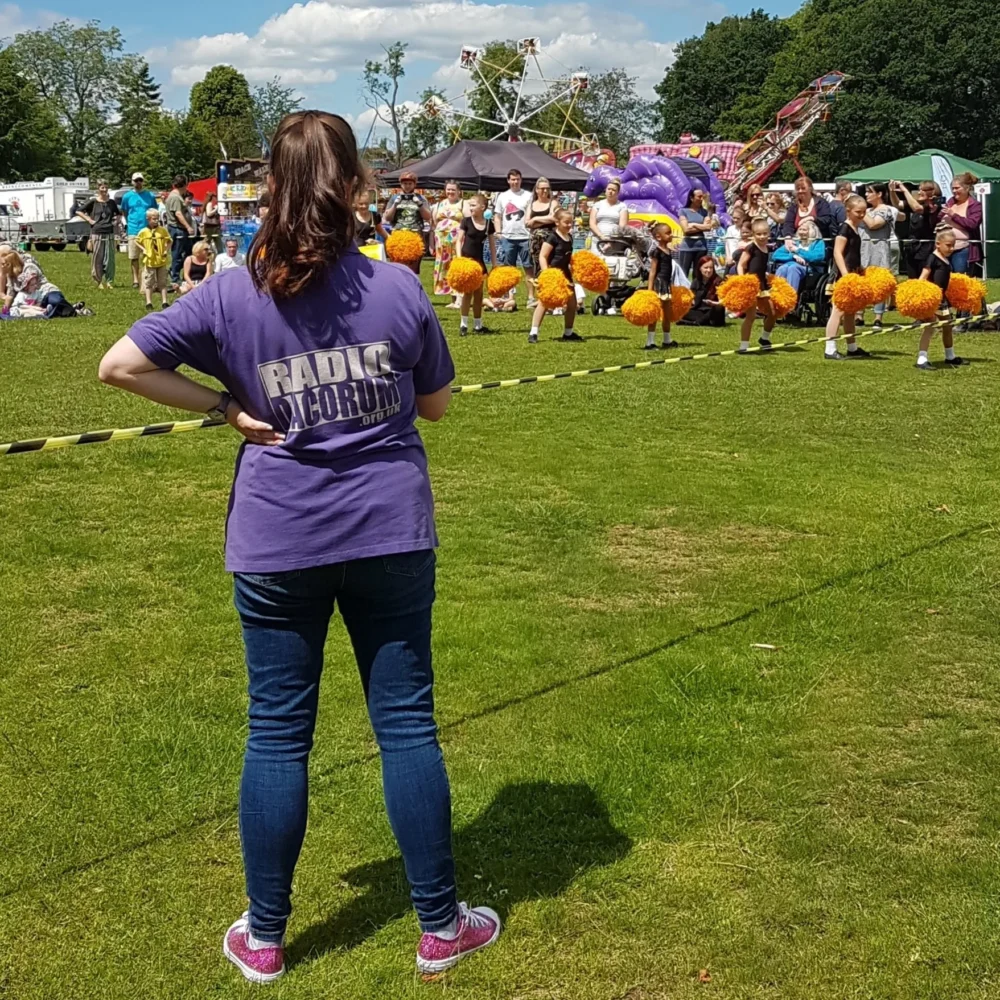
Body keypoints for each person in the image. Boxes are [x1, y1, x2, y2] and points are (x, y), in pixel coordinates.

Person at [98, 110, 499, 985]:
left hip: (281, 540)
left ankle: (269, 936)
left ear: (271, 187)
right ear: (355, 187)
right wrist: (235, 405)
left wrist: (221, 407)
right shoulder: (397, 287)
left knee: (278, 734)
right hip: (388, 532)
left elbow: (119, 365)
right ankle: (439, 927)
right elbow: (435, 405)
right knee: (405, 727)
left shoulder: (232, 294)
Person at [824, 194, 871, 360]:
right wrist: (845, 275)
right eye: (858, 212)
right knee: (838, 311)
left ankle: (852, 347)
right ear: (848, 211)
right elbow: (838, 252)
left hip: (853, 273)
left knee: (850, 311)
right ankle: (830, 348)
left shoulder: (856, 228)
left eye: (864, 212)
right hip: (844, 276)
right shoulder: (844, 228)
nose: (862, 215)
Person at [916, 229, 967, 370]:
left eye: (953, 245)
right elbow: (922, 278)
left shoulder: (945, 259)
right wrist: (924, 297)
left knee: (947, 326)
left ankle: (950, 356)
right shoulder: (932, 258)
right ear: (938, 244)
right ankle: (921, 359)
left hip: (942, 299)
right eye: (948, 245)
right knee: (930, 327)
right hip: (933, 299)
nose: (951, 248)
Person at [529, 208, 580, 344]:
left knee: (572, 304)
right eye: (566, 222)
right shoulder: (552, 237)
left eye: (571, 223)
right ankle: (533, 332)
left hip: (565, 275)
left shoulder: (570, 238)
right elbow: (543, 256)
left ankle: (568, 333)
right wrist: (547, 274)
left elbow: (568, 258)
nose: (569, 225)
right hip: (552, 274)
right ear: (557, 222)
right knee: (544, 303)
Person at [859, 185, 902, 328]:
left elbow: (874, 224)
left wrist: (859, 210)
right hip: (864, 249)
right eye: (865, 192)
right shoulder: (868, 210)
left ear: (879, 194)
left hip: (880, 249)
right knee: (862, 281)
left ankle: (878, 317)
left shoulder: (886, 210)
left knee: (880, 282)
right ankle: (859, 315)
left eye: (869, 192)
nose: (866, 195)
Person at [456, 193, 497, 335]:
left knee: (479, 294)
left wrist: (494, 264)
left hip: (480, 263)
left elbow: (492, 245)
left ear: (482, 207)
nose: (471, 208)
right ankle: (463, 324)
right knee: (467, 293)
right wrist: (459, 259)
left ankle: (478, 325)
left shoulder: (488, 224)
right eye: (470, 205)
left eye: (473, 205)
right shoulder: (466, 221)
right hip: (467, 262)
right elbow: (458, 240)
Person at [644, 223, 688, 349]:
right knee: (655, 313)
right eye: (668, 233)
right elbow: (652, 272)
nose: (671, 235)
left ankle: (667, 340)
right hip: (659, 284)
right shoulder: (656, 252)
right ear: (658, 237)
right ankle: (650, 342)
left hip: (667, 284)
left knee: (667, 314)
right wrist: (650, 290)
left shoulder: (669, 250)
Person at [0, 246, 77, 317]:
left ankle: (72, 309)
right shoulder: (10, 275)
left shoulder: (29, 267)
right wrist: (5, 310)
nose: (1, 266)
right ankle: (55, 310)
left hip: (45, 292)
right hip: (31, 300)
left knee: (55, 301)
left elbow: (27, 286)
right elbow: (10, 294)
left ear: (10, 264)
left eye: (3, 264)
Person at [889, 180, 944, 279]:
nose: (919, 193)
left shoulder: (934, 206)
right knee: (912, 277)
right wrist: (892, 191)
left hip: (927, 249)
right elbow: (898, 204)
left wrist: (904, 190)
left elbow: (917, 209)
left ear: (932, 192)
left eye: (922, 190)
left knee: (925, 279)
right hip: (912, 248)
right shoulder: (917, 203)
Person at [737, 218, 775, 353]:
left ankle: (764, 339)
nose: (762, 237)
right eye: (759, 234)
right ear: (753, 234)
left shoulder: (767, 248)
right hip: (751, 285)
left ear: (769, 233)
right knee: (751, 316)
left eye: (765, 233)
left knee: (772, 313)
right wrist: (743, 281)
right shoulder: (751, 247)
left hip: (762, 285)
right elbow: (741, 265)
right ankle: (744, 345)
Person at [76, 180, 121, 289]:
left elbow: (119, 213)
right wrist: (89, 220)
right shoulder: (93, 202)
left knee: (110, 258)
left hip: (109, 232)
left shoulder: (111, 202)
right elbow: (79, 211)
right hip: (97, 232)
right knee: (98, 257)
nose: (104, 190)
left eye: (106, 188)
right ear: (98, 189)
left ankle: (110, 281)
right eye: (102, 188)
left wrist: (116, 221)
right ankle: (99, 280)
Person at [120, 173, 159, 289]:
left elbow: (154, 211)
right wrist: (128, 223)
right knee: (134, 256)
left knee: (149, 255)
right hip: (133, 229)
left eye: (140, 180)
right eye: (136, 180)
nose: (138, 182)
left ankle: (148, 278)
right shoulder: (127, 196)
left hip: (148, 229)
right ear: (132, 182)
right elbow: (125, 212)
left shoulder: (150, 195)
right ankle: (136, 280)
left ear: (143, 181)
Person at [430, 180, 465, 301]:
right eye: (448, 189)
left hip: (457, 242)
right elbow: (434, 223)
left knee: (456, 266)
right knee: (445, 267)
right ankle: (452, 299)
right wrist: (432, 243)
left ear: (459, 191)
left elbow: (467, 222)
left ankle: (459, 298)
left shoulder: (463, 204)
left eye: (453, 189)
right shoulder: (439, 204)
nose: (450, 192)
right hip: (441, 242)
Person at [942, 171, 982, 277]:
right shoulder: (950, 202)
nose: (954, 191)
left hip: (962, 249)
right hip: (943, 248)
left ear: (967, 188)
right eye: (953, 188)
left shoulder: (975, 205)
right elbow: (938, 220)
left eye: (957, 188)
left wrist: (953, 215)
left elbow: (973, 224)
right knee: (944, 277)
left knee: (960, 279)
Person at [494, 169, 533, 276]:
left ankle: (530, 293)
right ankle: (509, 293)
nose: (515, 182)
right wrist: (498, 233)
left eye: (518, 179)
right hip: (508, 238)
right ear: (508, 181)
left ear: (521, 180)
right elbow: (497, 216)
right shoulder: (502, 196)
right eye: (513, 179)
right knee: (508, 269)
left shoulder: (529, 195)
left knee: (528, 266)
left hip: (525, 237)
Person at [527, 177, 557, 307]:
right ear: (537, 190)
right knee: (537, 267)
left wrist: (536, 219)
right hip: (535, 241)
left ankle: (551, 294)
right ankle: (541, 297)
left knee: (550, 266)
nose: (545, 191)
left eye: (547, 188)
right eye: (542, 188)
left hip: (550, 240)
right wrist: (535, 221)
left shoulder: (553, 202)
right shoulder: (531, 204)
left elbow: (554, 218)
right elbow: (527, 222)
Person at [773, 220, 826, 292]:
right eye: (800, 229)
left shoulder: (817, 242)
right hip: (790, 264)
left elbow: (817, 257)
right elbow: (776, 255)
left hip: (808, 268)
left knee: (793, 268)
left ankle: (790, 297)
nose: (801, 232)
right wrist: (793, 256)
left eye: (804, 230)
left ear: (812, 231)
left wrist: (798, 251)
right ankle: (777, 295)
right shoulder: (795, 242)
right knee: (782, 268)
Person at [135, 207, 172, 311]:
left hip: (161, 260)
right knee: (149, 282)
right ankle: (149, 302)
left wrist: (165, 250)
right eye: (154, 218)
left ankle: (164, 301)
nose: (156, 220)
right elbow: (136, 241)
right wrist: (144, 249)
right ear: (148, 219)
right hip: (150, 261)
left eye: (157, 218)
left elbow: (169, 241)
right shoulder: (143, 231)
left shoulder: (162, 230)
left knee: (162, 282)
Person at [781, 175, 834, 242]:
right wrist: (788, 237)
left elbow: (826, 220)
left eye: (803, 188)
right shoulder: (793, 206)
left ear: (810, 189)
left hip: (818, 242)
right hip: (797, 241)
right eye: (798, 189)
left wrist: (812, 218)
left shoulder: (821, 203)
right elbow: (788, 224)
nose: (800, 191)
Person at [678, 188, 717, 278]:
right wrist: (701, 227)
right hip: (687, 247)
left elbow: (708, 227)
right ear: (691, 198)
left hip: (701, 247)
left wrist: (693, 224)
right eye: (699, 197)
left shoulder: (704, 212)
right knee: (683, 273)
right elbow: (686, 230)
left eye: (702, 197)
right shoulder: (683, 211)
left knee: (699, 274)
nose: (701, 199)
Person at [165, 175, 196, 286]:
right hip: (177, 229)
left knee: (189, 253)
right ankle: (175, 278)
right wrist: (188, 227)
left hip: (181, 229)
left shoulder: (179, 197)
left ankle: (180, 272)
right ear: (185, 184)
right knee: (177, 255)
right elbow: (178, 214)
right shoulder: (175, 197)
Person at [684, 255, 726, 327]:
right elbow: (692, 300)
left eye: (711, 268)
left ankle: (697, 322)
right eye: (706, 268)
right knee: (684, 312)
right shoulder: (696, 281)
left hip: (713, 311)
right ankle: (704, 321)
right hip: (700, 310)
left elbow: (723, 301)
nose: (709, 270)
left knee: (718, 308)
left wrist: (714, 303)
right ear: (700, 268)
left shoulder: (719, 281)